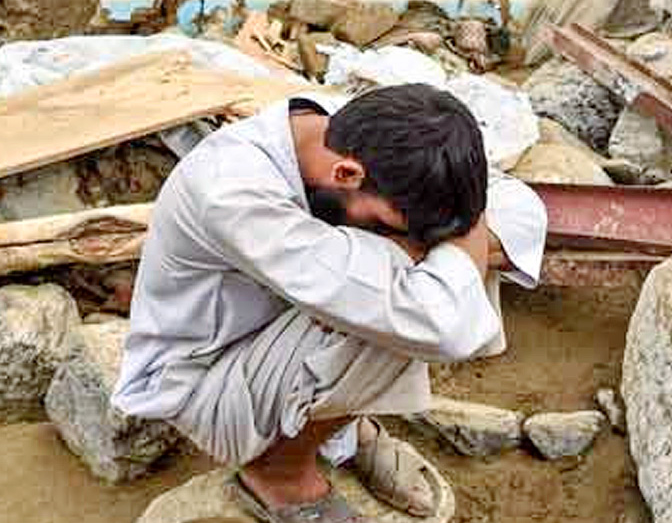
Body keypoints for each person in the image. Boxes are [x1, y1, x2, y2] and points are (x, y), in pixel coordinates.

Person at [113, 85, 546, 523]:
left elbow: (523, 206)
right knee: (417, 303)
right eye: (388, 222)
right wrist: (441, 247)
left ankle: (337, 430)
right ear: (346, 175)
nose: (403, 235)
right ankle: (278, 473)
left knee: (439, 272)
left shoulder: (357, 135)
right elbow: (443, 324)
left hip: (274, 336)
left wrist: (444, 238)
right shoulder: (232, 193)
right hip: (203, 383)